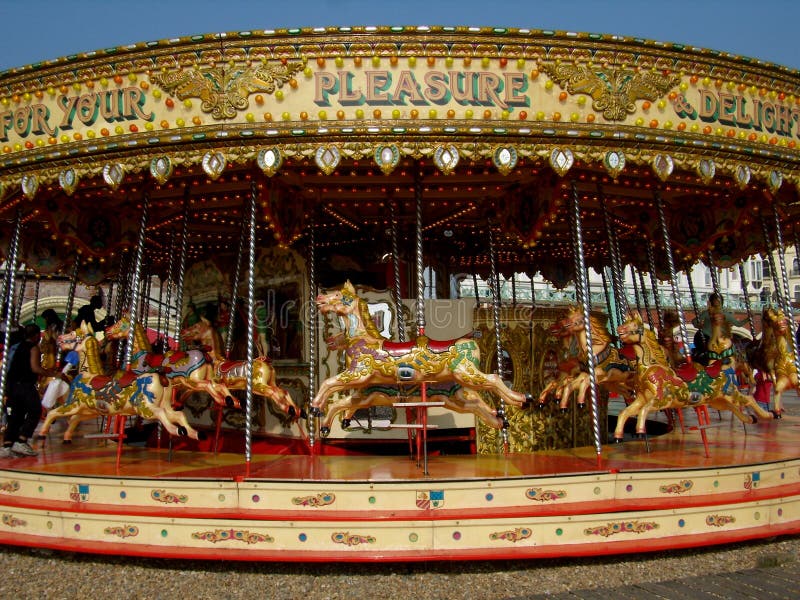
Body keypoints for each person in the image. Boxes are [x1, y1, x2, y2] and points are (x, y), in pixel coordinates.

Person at [1, 324, 59, 458]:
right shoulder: (33, 348)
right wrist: (52, 374)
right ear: (36, 335)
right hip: (25, 385)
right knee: (35, 410)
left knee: (16, 415)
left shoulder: (16, 346)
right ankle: (22, 439)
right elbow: (35, 368)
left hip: (12, 385)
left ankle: (8, 445)